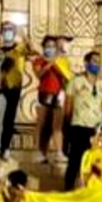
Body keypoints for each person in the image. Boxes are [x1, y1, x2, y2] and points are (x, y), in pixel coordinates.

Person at [63, 51, 102, 190]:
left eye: (99, 62)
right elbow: (68, 106)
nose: (97, 64)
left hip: (96, 129)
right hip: (79, 126)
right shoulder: (75, 82)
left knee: (93, 161)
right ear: (86, 63)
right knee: (75, 161)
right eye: (94, 61)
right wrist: (66, 127)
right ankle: (68, 189)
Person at [32, 35, 68, 164]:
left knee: (57, 125)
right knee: (42, 124)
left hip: (58, 94)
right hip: (45, 93)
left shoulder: (62, 61)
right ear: (43, 47)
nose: (51, 48)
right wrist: (51, 63)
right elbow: (39, 74)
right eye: (48, 46)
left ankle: (59, 152)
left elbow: (66, 76)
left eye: (53, 46)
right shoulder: (39, 60)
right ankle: (38, 151)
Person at [0, 23, 28, 158]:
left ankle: (5, 147)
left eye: (10, 29)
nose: (8, 32)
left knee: (9, 119)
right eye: (5, 30)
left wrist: (24, 34)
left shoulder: (19, 49)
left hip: (14, 88)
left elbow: (31, 49)